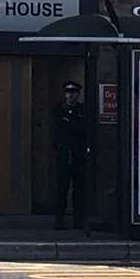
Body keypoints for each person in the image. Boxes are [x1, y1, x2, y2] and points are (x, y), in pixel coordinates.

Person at [52, 80, 87, 230]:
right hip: (64, 153)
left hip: (78, 153)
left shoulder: (82, 110)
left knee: (79, 189)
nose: (70, 96)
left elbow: (84, 130)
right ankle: (59, 219)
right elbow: (56, 130)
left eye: (73, 93)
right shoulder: (59, 110)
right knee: (62, 188)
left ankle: (78, 219)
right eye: (68, 92)